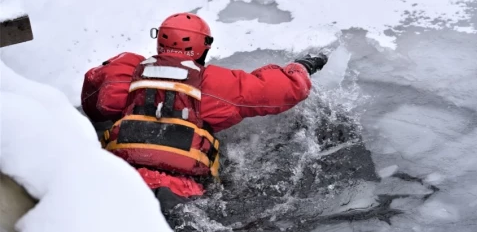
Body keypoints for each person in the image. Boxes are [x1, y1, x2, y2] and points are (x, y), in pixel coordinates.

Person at [80, 12, 328, 215]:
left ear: (160, 40)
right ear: (204, 46)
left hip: (117, 180)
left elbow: (92, 94)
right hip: (181, 195)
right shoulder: (215, 84)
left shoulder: (122, 70)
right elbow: (285, 90)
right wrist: (301, 66)